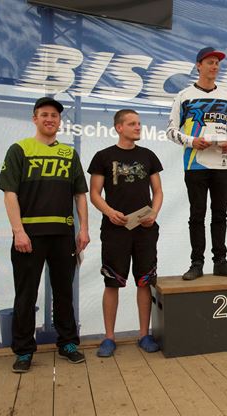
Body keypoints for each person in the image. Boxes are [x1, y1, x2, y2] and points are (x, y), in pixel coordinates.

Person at [0, 97, 90, 373]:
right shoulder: (19, 150)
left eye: (55, 116)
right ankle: (24, 350)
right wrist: (18, 232)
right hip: (29, 236)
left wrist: (84, 229)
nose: (50, 119)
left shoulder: (69, 154)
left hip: (63, 235)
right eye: (44, 114)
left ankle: (68, 343)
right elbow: (9, 194)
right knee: (26, 295)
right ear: (35, 119)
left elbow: (80, 195)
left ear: (60, 122)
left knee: (64, 293)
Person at [88, 109, 163, 356]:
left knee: (144, 282)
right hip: (115, 230)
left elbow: (158, 192)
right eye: (132, 124)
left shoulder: (148, 155)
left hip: (145, 230)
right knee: (112, 283)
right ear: (119, 127)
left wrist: (153, 214)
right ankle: (109, 338)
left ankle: (144, 335)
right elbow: (95, 194)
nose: (138, 127)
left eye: (139, 123)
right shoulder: (103, 156)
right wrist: (110, 212)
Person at [166, 47, 227, 280]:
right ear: (198, 65)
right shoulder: (184, 96)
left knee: (220, 214)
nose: (215, 66)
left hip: (222, 164)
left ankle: (220, 261)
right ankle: (196, 263)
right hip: (195, 164)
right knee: (197, 214)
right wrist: (192, 141)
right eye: (210, 62)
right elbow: (171, 131)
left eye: (217, 63)